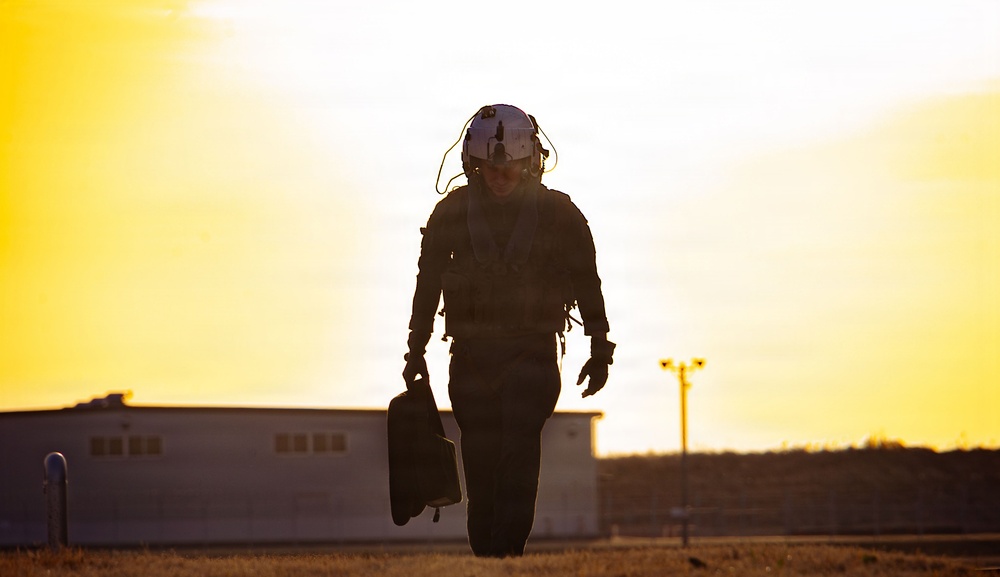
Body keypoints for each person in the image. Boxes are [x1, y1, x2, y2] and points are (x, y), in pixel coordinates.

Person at [402, 104, 614, 558]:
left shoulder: (560, 214)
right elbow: (427, 285)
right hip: (472, 358)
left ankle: (506, 557)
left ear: (529, 162)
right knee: (480, 464)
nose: (500, 176)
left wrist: (600, 346)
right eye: (490, 167)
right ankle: (488, 561)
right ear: (473, 166)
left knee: (517, 455)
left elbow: (587, 281)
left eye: (509, 167)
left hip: (532, 355)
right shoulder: (450, 215)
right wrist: (414, 350)